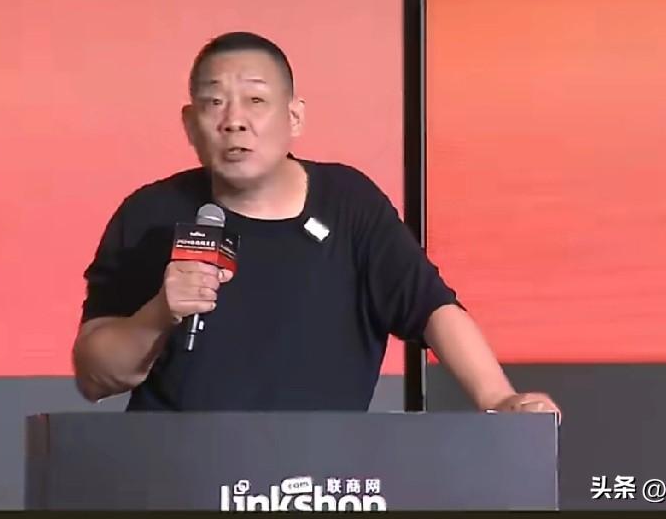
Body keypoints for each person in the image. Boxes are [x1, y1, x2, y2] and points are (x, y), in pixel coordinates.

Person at [71, 31, 560, 418]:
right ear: (189, 123)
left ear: (294, 117)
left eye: (255, 100)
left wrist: (498, 398)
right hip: (175, 477)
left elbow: (432, 308)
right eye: (214, 102)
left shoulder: (349, 203)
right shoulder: (150, 214)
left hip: (317, 480)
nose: (234, 121)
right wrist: (159, 313)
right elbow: (95, 377)